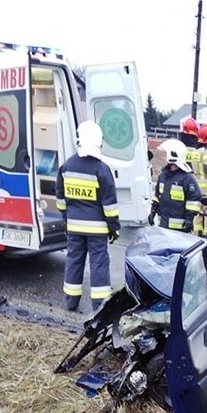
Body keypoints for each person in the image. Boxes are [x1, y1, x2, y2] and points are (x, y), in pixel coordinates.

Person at [56, 120, 120, 312]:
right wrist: (114, 228)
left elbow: (60, 199)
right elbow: (110, 205)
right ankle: (99, 306)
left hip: (74, 227)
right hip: (97, 230)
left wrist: (67, 219)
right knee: (98, 264)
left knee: (74, 261)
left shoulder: (66, 167)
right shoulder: (102, 169)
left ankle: (71, 301)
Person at [148, 139, 202, 232]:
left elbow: (194, 200)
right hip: (163, 225)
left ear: (173, 156)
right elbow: (157, 196)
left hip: (180, 229)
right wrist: (153, 211)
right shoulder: (163, 176)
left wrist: (189, 218)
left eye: (166, 155)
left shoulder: (187, 179)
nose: (163, 158)